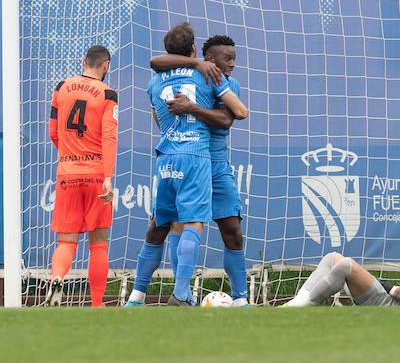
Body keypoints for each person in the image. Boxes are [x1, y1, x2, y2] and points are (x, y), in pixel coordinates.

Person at [127, 32, 248, 306]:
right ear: (206, 57)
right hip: (196, 158)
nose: (231, 64)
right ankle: (180, 292)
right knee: (168, 226)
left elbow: (226, 120)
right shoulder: (202, 75)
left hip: (214, 164)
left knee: (232, 229)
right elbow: (157, 63)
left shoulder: (228, 83)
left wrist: (190, 108)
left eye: (234, 59)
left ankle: (241, 299)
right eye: (226, 58)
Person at [46, 44, 118, 306]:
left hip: (68, 173)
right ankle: (97, 305)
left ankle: (57, 277)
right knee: (98, 244)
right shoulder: (108, 93)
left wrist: (70, 156)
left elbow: (53, 133)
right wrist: (107, 176)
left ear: (83, 61)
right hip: (97, 175)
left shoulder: (61, 87)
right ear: (106, 65)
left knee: (66, 242)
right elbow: (110, 135)